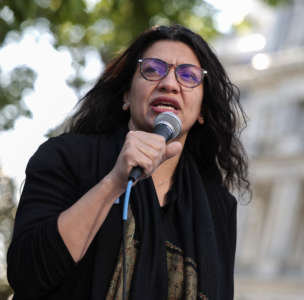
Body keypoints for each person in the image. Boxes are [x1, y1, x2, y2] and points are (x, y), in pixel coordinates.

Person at [7, 24, 249, 300]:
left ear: (203, 110)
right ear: (126, 95)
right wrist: (115, 182)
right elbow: (26, 273)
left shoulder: (217, 204)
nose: (169, 83)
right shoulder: (67, 156)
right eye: (153, 70)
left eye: (188, 75)